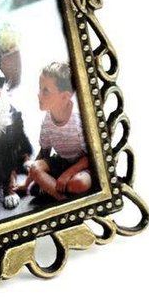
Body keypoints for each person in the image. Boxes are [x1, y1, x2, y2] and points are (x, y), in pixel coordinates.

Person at [16, 62, 92, 201]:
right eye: (40, 89)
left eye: (45, 91)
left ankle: (48, 187)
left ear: (64, 97)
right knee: (35, 167)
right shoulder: (47, 121)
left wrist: (67, 174)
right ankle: (61, 197)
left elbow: (91, 156)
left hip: (81, 165)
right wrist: (26, 184)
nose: (39, 94)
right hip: (61, 162)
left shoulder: (78, 120)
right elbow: (44, 153)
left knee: (79, 183)